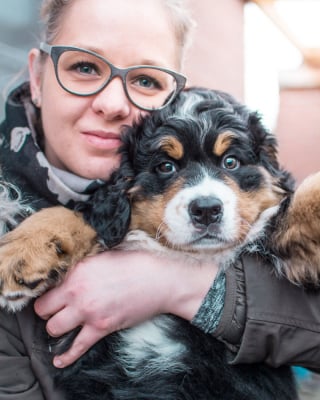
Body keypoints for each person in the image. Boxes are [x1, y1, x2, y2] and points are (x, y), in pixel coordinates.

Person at [0, 0, 320, 399]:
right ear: (36, 75)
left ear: (174, 92)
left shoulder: (246, 174)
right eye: (84, 67)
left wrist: (185, 286)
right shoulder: (15, 224)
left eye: (146, 80)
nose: (113, 103)